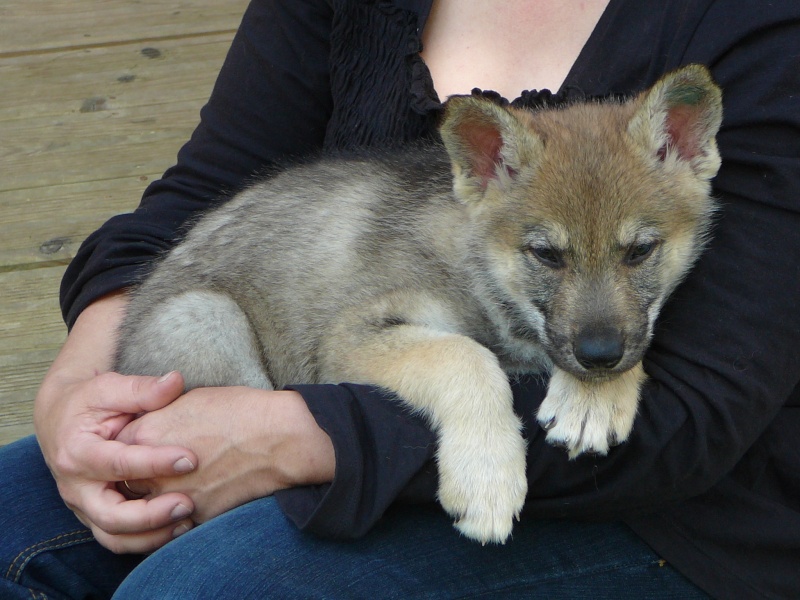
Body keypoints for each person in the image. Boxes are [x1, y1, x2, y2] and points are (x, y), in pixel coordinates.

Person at [1, 0, 798, 597]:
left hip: (674, 509)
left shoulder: (761, 27)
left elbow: (700, 415)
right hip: (313, 384)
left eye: (638, 252)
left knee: (207, 587)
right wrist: (76, 390)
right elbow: (202, 189)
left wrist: (291, 440)